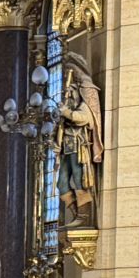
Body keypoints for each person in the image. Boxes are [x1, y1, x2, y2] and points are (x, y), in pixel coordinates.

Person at [57, 61, 104, 227]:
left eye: (71, 92)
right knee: (61, 183)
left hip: (79, 146)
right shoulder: (67, 102)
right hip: (66, 147)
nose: (69, 95)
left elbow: (85, 118)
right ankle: (76, 213)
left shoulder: (84, 101)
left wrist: (67, 113)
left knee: (80, 180)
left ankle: (83, 217)